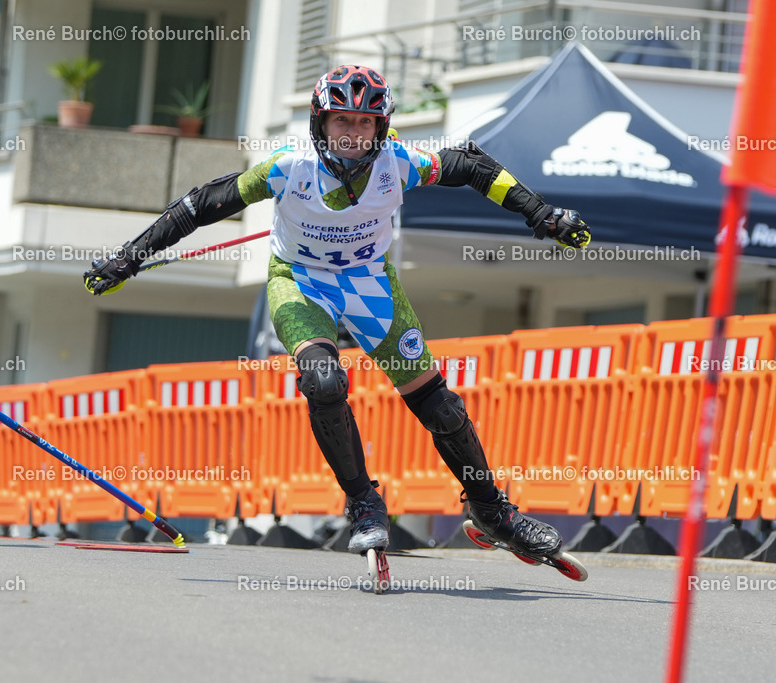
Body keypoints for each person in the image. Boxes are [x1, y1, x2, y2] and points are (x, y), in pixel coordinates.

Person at [84, 65, 591, 557]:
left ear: (381, 127)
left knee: (441, 408)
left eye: (365, 122)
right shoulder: (289, 166)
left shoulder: (400, 163)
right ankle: (364, 503)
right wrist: (129, 257)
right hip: (301, 284)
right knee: (324, 381)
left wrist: (542, 213)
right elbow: (202, 203)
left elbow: (473, 167)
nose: (353, 133)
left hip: (370, 284)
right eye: (342, 120)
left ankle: (492, 511)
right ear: (320, 122)